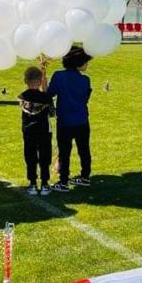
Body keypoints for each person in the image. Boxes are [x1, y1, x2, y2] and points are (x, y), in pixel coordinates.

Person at [47, 47, 93, 192]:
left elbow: (49, 94)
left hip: (65, 122)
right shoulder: (85, 80)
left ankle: (64, 181)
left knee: (64, 152)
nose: (87, 65)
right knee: (84, 149)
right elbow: (85, 98)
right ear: (78, 63)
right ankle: (85, 176)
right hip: (82, 121)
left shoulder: (59, 76)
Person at [19, 66, 54, 195]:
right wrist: (45, 90)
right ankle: (45, 183)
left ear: (25, 81)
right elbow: (52, 113)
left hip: (28, 132)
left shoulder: (22, 96)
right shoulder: (45, 97)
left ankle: (32, 183)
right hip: (44, 131)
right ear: (40, 81)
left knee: (30, 157)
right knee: (45, 157)